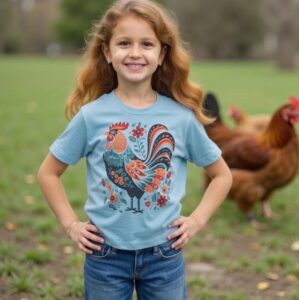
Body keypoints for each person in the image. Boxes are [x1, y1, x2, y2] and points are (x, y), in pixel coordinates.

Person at [37, 0, 232, 299]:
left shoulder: (180, 117)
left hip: (164, 255)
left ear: (162, 53)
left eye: (147, 44)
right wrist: (71, 225)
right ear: (107, 52)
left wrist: (196, 220)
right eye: (124, 43)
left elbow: (222, 175)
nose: (135, 53)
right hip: (105, 255)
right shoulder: (92, 116)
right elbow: (48, 173)